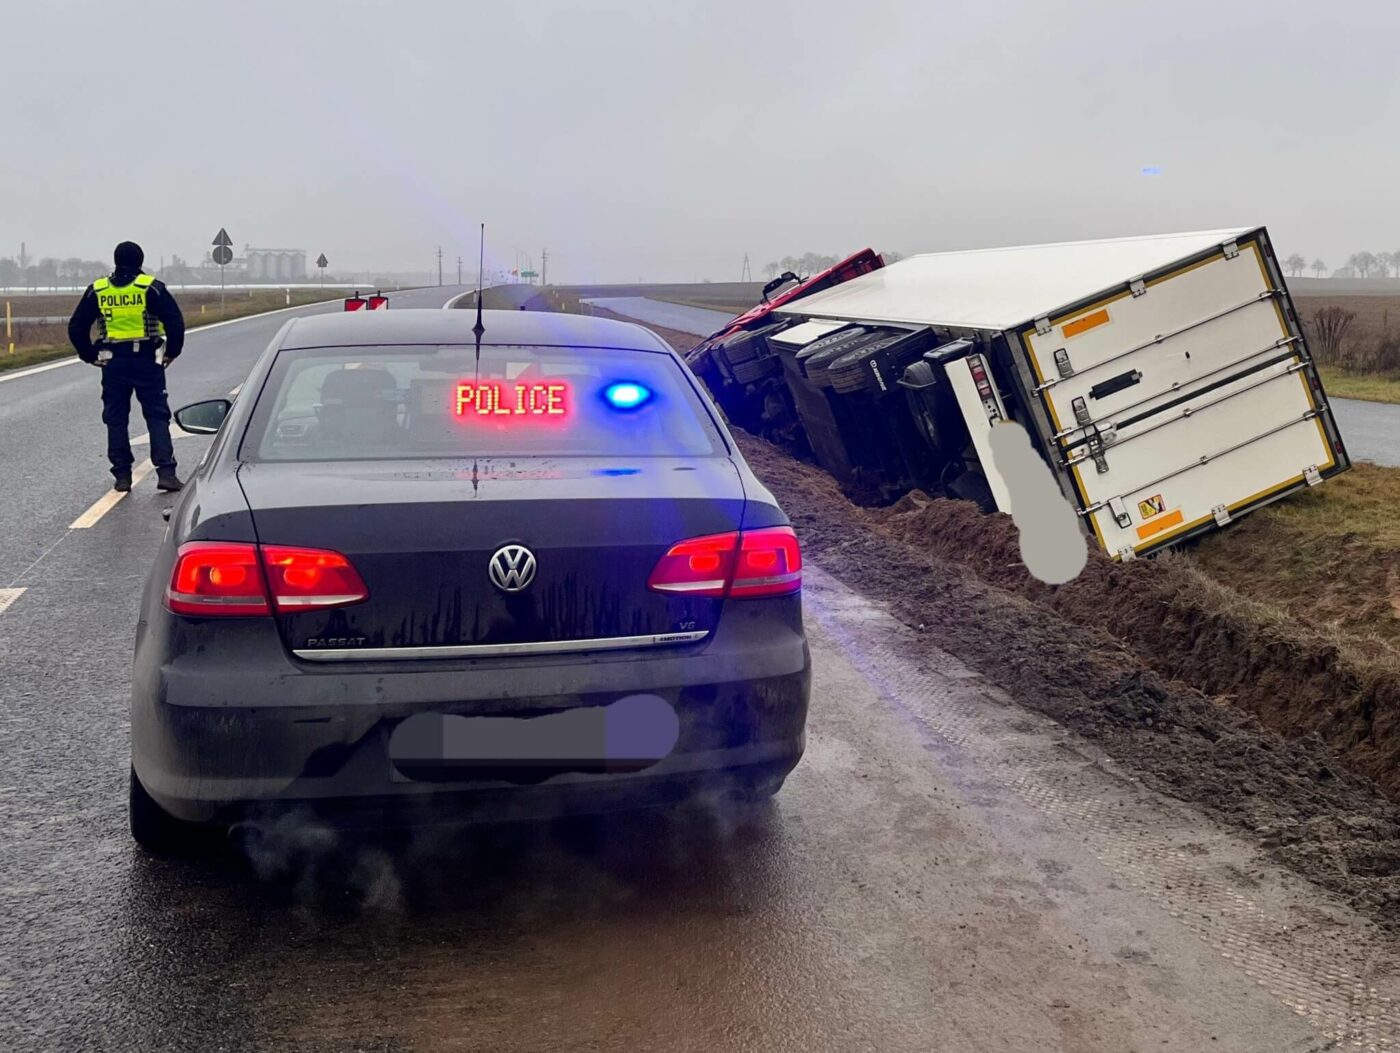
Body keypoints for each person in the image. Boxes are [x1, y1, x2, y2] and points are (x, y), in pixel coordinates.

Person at [68, 242, 186, 492]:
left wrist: (89, 355)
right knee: (156, 416)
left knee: (116, 419)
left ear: (115, 260)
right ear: (140, 261)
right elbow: (175, 322)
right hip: (147, 361)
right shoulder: (151, 288)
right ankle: (166, 472)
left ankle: (122, 476)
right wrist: (172, 352)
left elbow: (76, 326)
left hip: (112, 363)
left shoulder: (98, 290)